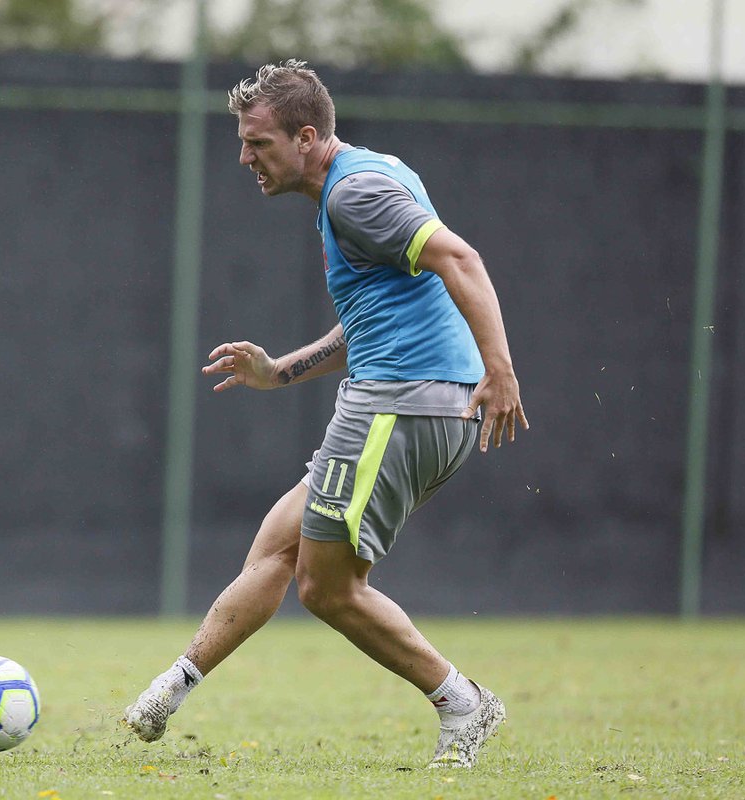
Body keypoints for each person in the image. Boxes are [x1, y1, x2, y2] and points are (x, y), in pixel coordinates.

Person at [122, 59, 529, 769]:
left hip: (400, 405)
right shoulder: (368, 176)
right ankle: (170, 690)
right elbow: (375, 316)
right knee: (277, 549)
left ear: (306, 137)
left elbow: (461, 260)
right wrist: (280, 371)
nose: (245, 158)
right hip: (411, 403)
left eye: (259, 143)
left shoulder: (354, 194)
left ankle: (462, 701)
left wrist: (502, 370)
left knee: (326, 586)